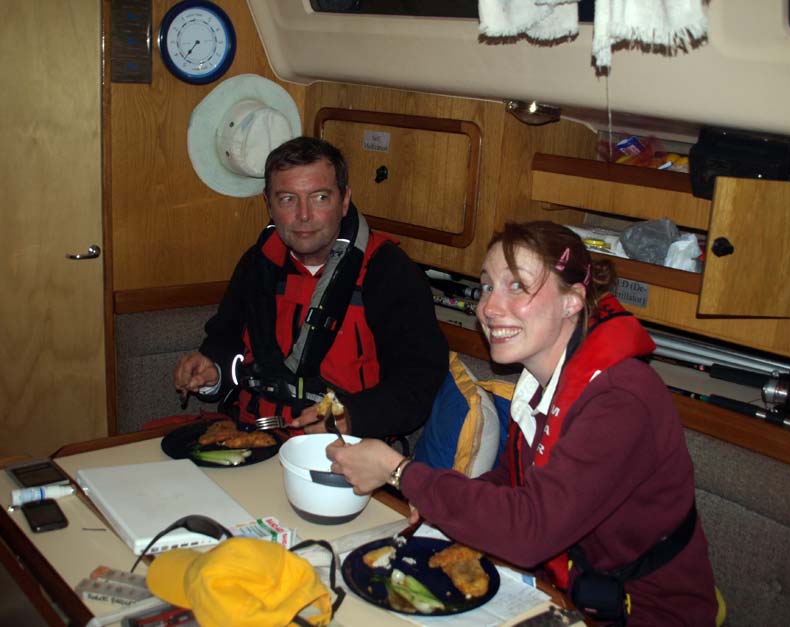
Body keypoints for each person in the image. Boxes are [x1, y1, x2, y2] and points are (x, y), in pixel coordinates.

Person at [328, 221, 718, 624]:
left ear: (572, 301)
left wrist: (400, 472)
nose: (488, 307)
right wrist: (442, 506)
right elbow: (511, 480)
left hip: (643, 613)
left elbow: (532, 531)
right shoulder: (541, 381)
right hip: (564, 593)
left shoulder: (620, 401)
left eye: (517, 285)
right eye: (487, 287)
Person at [174, 137, 448, 438]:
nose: (303, 215)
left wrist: (352, 417)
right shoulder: (257, 264)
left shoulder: (388, 271)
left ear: (344, 200)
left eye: (319, 197)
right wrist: (212, 372)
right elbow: (225, 342)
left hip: (341, 451)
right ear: (268, 203)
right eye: (287, 199)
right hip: (251, 438)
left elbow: (419, 381)